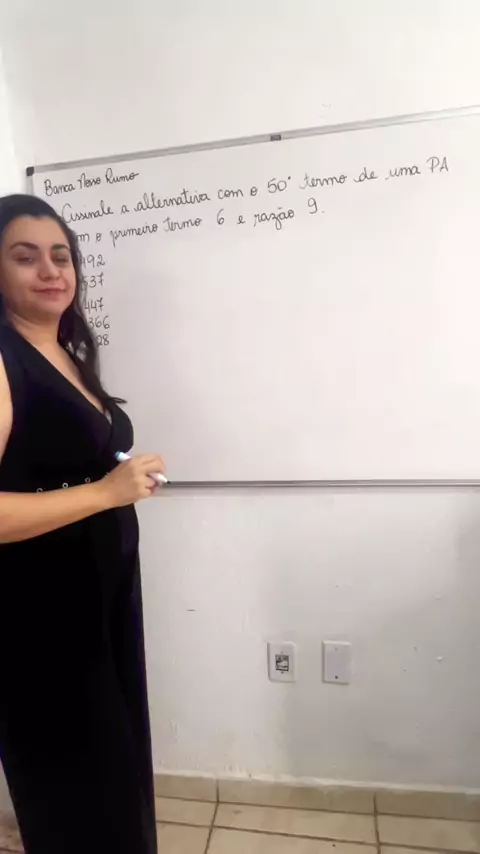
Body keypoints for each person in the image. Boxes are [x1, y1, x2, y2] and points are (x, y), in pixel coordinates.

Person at [0, 194, 164, 854]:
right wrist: (104, 491)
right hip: (38, 620)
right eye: (25, 257)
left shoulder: (65, 350)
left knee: (113, 782)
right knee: (81, 798)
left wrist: (118, 477)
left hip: (95, 604)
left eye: (61, 256)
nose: (50, 271)